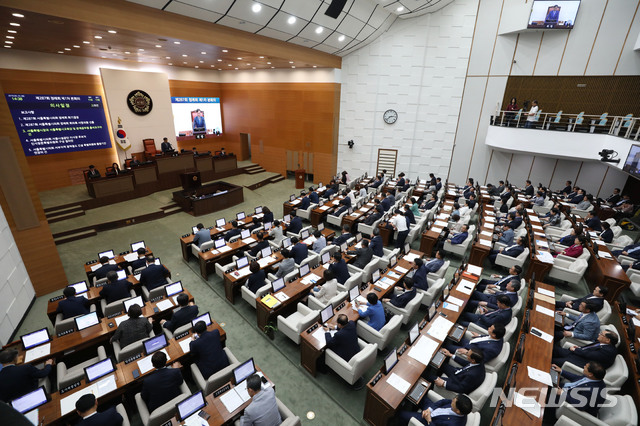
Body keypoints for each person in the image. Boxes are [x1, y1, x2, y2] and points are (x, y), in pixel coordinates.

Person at [552, 330, 618, 369]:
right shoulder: (602, 342)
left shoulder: (608, 351)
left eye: (601, 334)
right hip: (577, 355)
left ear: (607, 340)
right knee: (553, 349)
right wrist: (579, 348)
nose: (599, 334)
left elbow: (590, 355)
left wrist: (575, 350)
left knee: (551, 360)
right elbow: (588, 349)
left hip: (579, 362)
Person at [398, 394, 472, 426]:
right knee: (417, 393)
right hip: (432, 408)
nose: (451, 400)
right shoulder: (458, 404)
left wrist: (429, 420)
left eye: (453, 402)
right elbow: (443, 401)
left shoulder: (453, 424)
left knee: (400, 414)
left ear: (458, 411)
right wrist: (429, 409)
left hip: (427, 420)